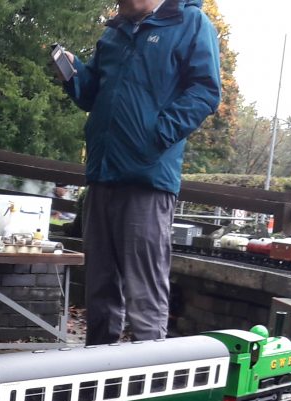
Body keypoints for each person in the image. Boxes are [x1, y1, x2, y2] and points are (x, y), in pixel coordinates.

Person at [56, 0, 221, 345]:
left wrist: (158, 134)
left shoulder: (190, 22)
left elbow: (206, 90)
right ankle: (96, 371)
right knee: (99, 286)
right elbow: (92, 95)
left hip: (147, 179)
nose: (119, 4)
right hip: (102, 174)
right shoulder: (115, 33)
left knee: (143, 290)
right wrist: (75, 73)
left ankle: (152, 377)